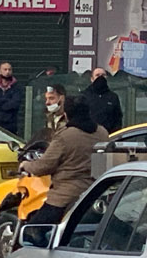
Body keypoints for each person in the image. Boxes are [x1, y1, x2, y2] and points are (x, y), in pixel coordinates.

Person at [16, 91, 108, 228]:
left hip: (65, 197)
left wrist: (26, 165)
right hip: (94, 193)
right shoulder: (102, 133)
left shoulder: (65, 136)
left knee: (32, 230)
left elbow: (44, 165)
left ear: (66, 114)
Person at [0, 61, 24, 136]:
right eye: (5, 69)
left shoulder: (17, 86)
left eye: (9, 69)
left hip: (11, 123)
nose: (7, 72)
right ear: (0, 71)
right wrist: (6, 101)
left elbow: (15, 103)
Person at [84, 69, 123, 134]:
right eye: (97, 75)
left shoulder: (113, 97)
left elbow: (118, 118)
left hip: (109, 136)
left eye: (103, 75)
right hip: (89, 135)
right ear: (92, 79)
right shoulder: (84, 96)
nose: (100, 77)